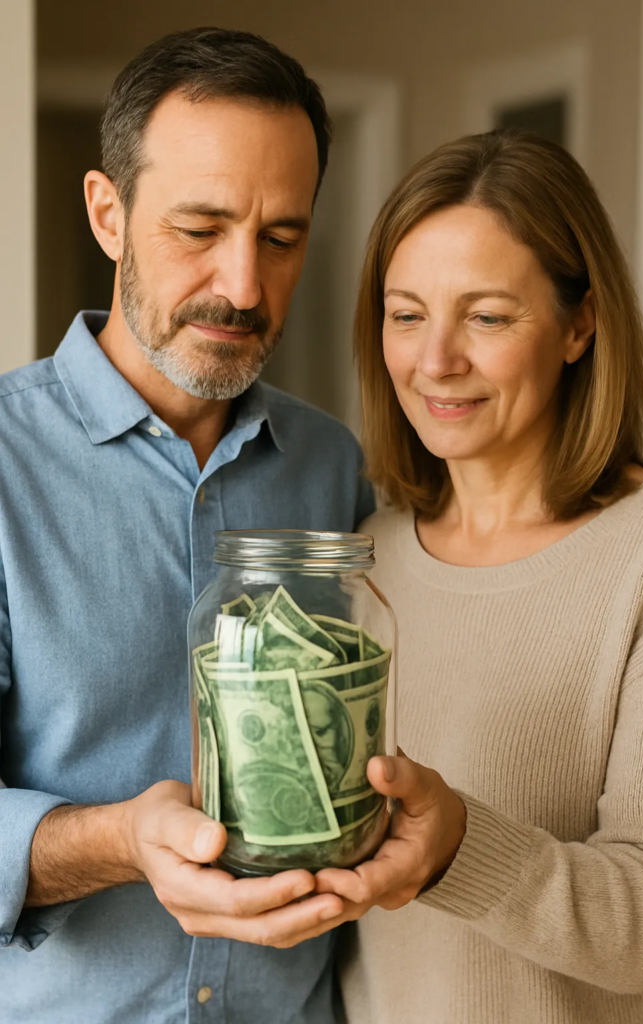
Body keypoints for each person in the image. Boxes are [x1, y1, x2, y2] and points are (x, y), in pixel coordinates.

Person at [0, 27, 374, 1024]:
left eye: (281, 237)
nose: (244, 286)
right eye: (200, 227)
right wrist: (122, 837)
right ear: (107, 213)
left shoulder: (335, 467)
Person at [287, 130, 643, 1023]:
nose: (434, 362)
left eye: (487, 316)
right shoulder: (363, 558)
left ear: (580, 324)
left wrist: (459, 846)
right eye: (406, 313)